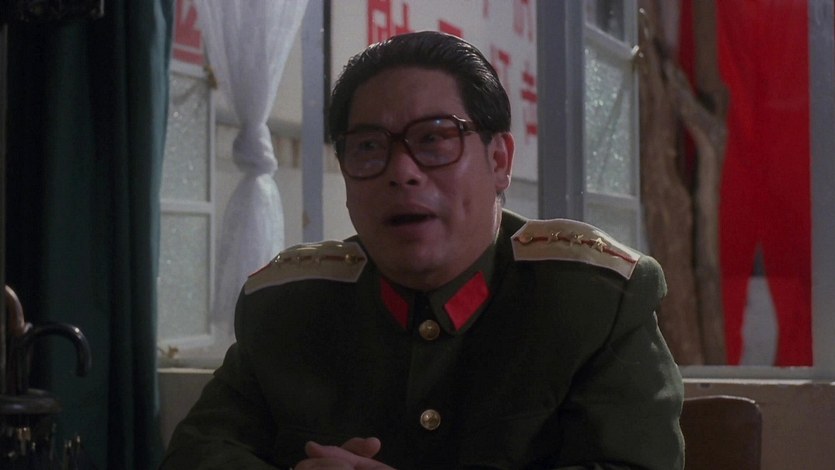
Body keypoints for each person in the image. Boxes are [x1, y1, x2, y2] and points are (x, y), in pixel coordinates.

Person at [162, 31, 685, 469]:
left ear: (499, 161)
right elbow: (195, 454)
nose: (402, 172)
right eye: (369, 147)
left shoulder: (592, 303)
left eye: (434, 139)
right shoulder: (287, 309)